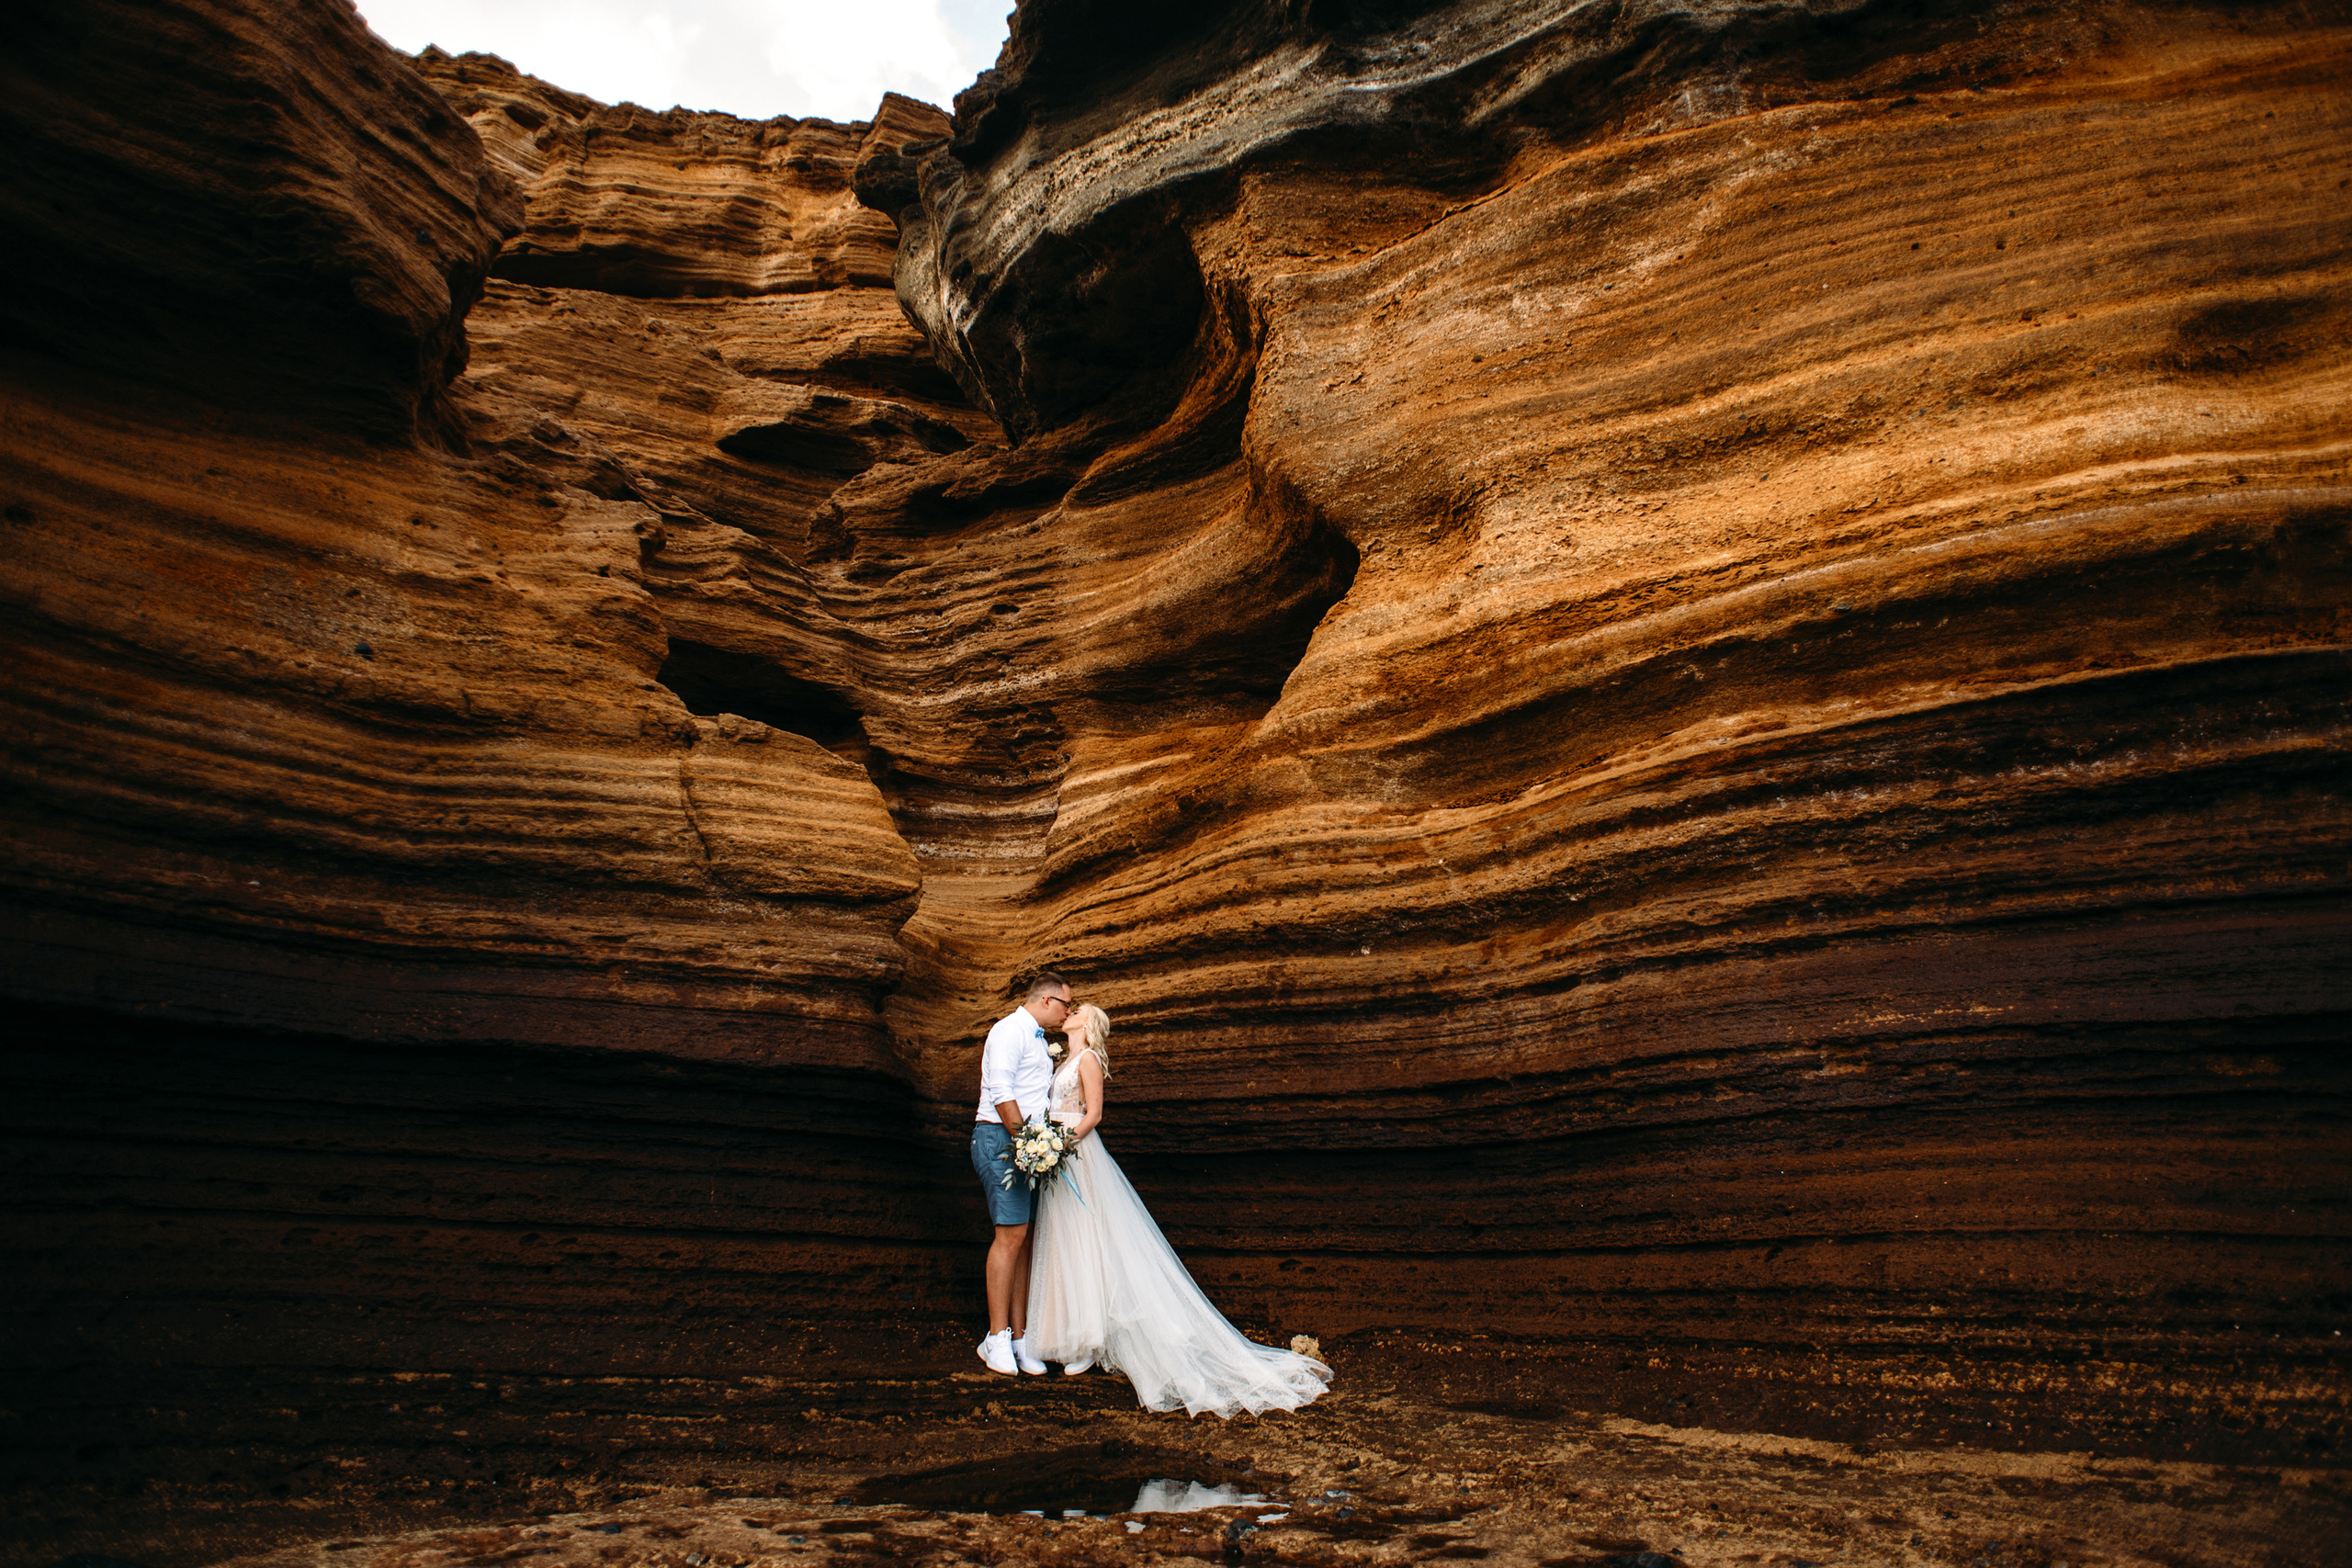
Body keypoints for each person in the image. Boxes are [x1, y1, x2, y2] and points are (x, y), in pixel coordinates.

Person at [1023, 1002, 1332, 1417]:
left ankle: (1090, 1340)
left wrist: (1059, 1143)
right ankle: (1069, 1336)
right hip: (1060, 1160)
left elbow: (1093, 1114)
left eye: (1077, 1010)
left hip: (1078, 1156)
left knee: (1090, 1240)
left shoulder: (1090, 1059)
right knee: (1065, 1243)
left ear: (1088, 1023)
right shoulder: (1065, 1059)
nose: (1070, 1012)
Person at [971, 971, 1073, 1375]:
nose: (1069, 1012)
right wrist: (1027, 1144)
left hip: (1027, 1145)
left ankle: (1020, 1337)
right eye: (1066, 1004)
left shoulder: (1037, 1039)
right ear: (1047, 1001)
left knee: (1024, 1239)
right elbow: (1000, 1091)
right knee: (1010, 1236)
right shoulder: (1008, 1030)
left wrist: (1039, 1145)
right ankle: (995, 1338)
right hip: (1000, 1140)